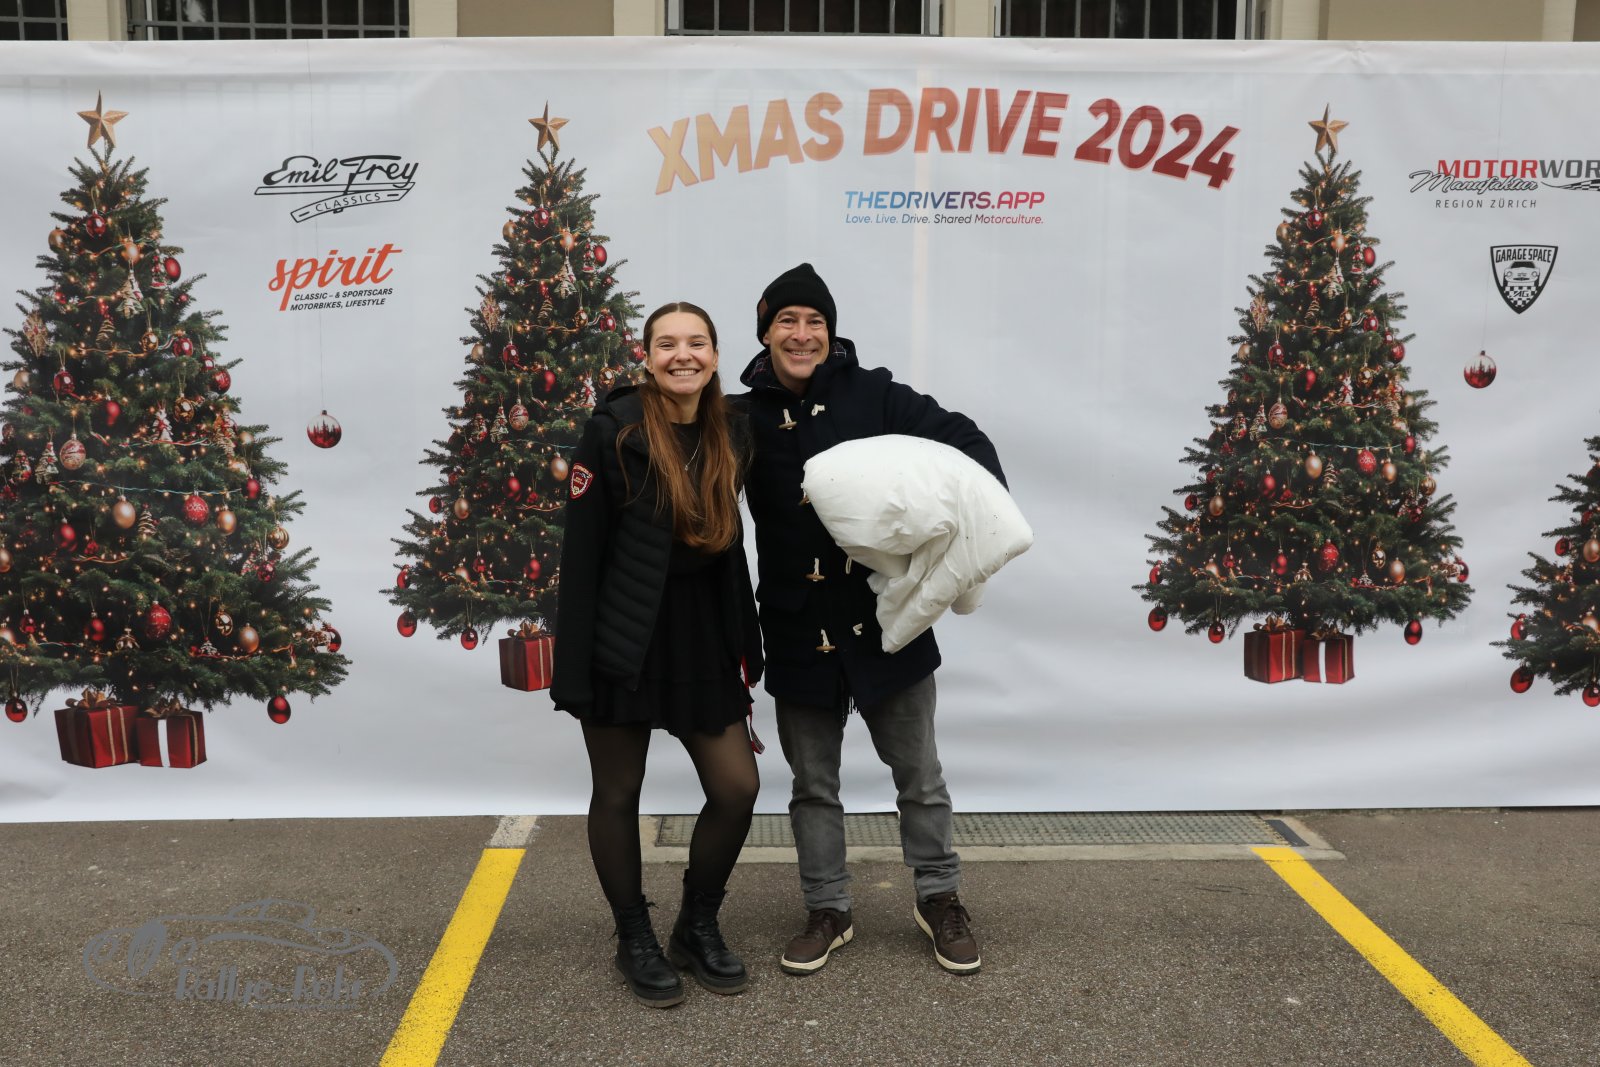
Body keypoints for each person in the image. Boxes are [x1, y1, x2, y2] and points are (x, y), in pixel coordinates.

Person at [735, 263, 1007, 976]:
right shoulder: (740, 415)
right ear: (765, 334)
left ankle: (939, 897)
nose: (802, 334)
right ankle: (827, 908)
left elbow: (964, 442)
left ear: (831, 331)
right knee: (812, 787)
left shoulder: (876, 393)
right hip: (796, 626)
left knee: (920, 776)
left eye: (815, 322)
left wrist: (976, 520)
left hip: (888, 620)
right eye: (787, 322)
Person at [551, 301, 765, 1008]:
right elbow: (581, 554)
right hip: (624, 635)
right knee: (617, 791)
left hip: (702, 634)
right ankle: (634, 935)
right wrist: (573, 669)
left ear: (714, 355)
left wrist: (747, 643)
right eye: (667, 344)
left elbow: (733, 550)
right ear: (646, 357)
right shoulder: (612, 430)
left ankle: (696, 925)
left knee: (736, 788)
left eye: (696, 342)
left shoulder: (734, 428)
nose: (683, 355)